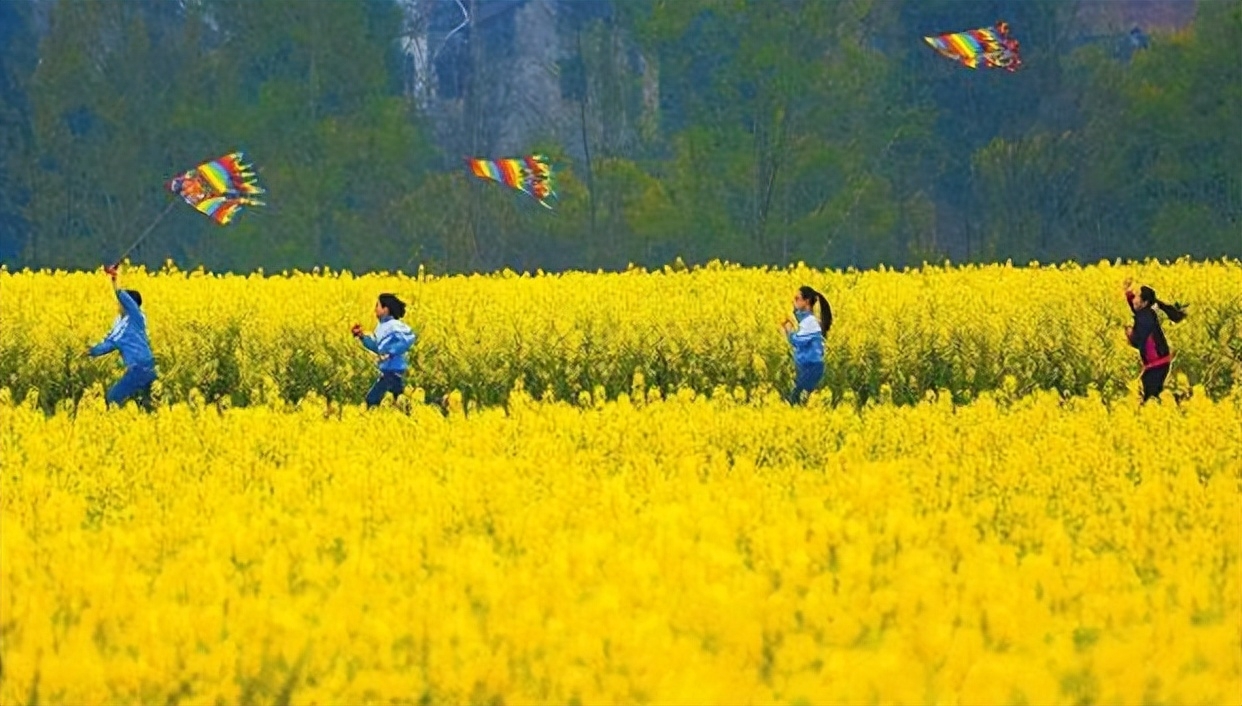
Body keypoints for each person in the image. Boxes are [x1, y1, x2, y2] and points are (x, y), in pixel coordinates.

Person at [88, 264, 157, 409]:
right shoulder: (121, 326)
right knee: (144, 405)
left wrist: (114, 278)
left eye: (120, 304)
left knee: (112, 399)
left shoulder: (136, 317)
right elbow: (109, 344)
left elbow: (123, 297)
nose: (118, 306)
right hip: (138, 368)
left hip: (141, 368)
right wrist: (90, 350)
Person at [1123, 278, 1186, 402]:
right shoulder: (1146, 312)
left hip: (1156, 364)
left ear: (1145, 302)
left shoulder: (1145, 318)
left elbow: (1138, 342)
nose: (1134, 300)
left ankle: (1181, 401)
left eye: (1136, 297)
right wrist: (1129, 293)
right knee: (1153, 396)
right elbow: (1135, 307)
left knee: (1151, 399)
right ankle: (1179, 402)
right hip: (1159, 363)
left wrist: (1130, 335)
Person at [353, 293, 417, 409]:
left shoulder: (394, 325)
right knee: (399, 404)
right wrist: (362, 337)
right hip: (389, 372)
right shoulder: (382, 326)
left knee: (372, 400)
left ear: (385, 309)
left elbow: (408, 338)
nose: (374, 310)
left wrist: (391, 351)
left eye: (377, 306)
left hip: (392, 371)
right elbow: (378, 347)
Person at [781, 285, 832, 405]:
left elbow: (798, 341)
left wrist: (789, 330)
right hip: (806, 367)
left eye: (797, 298)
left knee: (796, 400)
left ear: (807, 301)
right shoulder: (806, 320)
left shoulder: (811, 322)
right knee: (799, 400)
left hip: (812, 367)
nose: (794, 301)